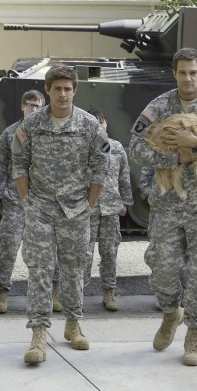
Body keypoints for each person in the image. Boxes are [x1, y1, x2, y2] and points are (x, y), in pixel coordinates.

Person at [129, 47, 197, 366]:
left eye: (193, 72)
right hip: (167, 201)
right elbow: (135, 147)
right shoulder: (159, 106)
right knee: (162, 267)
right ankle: (170, 312)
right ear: (174, 74)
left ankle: (194, 334)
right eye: (182, 72)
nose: (188, 78)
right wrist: (174, 157)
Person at [12, 64, 110, 365]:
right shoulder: (31, 125)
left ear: (75, 91)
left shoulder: (90, 125)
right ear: (48, 90)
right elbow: (19, 163)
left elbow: (100, 168)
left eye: (68, 89)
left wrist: (89, 204)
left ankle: (73, 323)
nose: (63, 94)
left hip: (76, 210)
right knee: (39, 269)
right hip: (40, 208)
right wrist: (28, 201)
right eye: (57, 88)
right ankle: (39, 333)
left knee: (74, 269)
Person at [0, 89, 45, 313]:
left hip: (43, 202)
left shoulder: (48, 132)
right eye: (30, 105)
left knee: (44, 251)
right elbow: (0, 165)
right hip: (15, 200)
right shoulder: (10, 133)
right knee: (9, 247)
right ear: (23, 107)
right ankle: (2, 292)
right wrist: (0, 194)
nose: (34, 109)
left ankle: (51, 292)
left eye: (38, 105)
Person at [83, 108, 133, 311]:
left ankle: (108, 292)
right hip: (87, 208)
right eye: (95, 122)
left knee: (110, 252)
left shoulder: (117, 147)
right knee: (83, 253)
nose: (100, 125)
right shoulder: (81, 147)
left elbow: (124, 175)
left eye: (102, 122)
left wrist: (126, 202)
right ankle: (79, 293)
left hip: (111, 207)